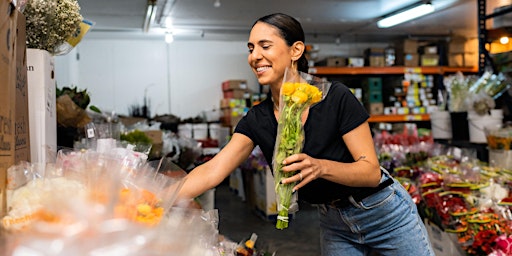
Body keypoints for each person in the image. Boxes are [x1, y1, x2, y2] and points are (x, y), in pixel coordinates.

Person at [176, 13, 434, 256]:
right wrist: (157, 197)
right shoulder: (258, 118)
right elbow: (214, 169)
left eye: (265, 46)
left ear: (295, 50)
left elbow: (370, 173)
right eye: (251, 48)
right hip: (335, 224)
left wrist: (320, 167)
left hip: (383, 214)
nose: (255, 56)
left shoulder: (335, 97)